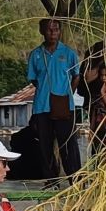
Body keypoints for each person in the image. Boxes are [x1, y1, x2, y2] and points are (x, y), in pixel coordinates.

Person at [26, 18, 81, 187]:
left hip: (64, 104)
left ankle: (76, 179)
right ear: (42, 31)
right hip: (42, 105)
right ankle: (51, 180)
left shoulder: (68, 52)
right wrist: (45, 90)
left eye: (56, 29)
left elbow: (76, 76)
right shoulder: (36, 54)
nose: (53, 33)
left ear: (60, 31)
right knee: (45, 144)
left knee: (68, 143)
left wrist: (67, 93)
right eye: (49, 30)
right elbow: (34, 79)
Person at [76, 42, 106, 154]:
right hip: (97, 118)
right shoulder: (96, 52)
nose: (104, 78)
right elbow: (85, 81)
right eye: (102, 75)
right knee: (98, 151)